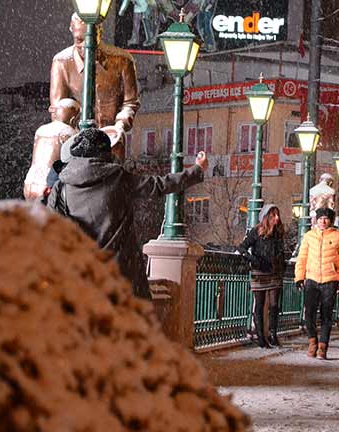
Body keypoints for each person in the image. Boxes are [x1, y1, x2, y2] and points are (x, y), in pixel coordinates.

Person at [47, 128, 207, 299]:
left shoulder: (62, 187)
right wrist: (197, 170)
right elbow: (161, 185)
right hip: (121, 277)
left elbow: (51, 231)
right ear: (104, 153)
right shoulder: (120, 179)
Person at [50, 13, 140, 160]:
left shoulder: (123, 60)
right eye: (79, 40)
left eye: (91, 39)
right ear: (71, 30)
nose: (85, 46)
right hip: (77, 142)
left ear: (100, 32)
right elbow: (58, 110)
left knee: (112, 179)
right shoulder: (61, 62)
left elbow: (131, 102)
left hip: (111, 139)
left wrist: (120, 125)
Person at [294, 207, 339, 360]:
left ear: (330, 220)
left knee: (327, 315)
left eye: (326, 218)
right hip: (312, 280)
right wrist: (299, 278)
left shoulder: (338, 236)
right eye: (320, 218)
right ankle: (312, 341)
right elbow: (302, 259)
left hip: (330, 280)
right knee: (309, 314)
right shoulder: (309, 236)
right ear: (316, 219)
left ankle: (323, 347)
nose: (323, 221)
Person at [237, 204, 288, 348]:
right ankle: (261, 338)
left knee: (274, 305)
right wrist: (253, 260)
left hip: (275, 272)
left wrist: (281, 265)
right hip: (259, 271)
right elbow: (241, 247)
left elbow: (281, 252)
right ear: (266, 217)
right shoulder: (256, 231)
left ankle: (273, 335)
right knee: (259, 305)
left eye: (277, 215)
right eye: (273, 215)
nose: (277, 218)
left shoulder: (279, 232)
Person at [24, 98, 80, 202]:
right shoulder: (69, 133)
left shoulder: (41, 130)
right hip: (49, 187)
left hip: (30, 182)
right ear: (73, 119)